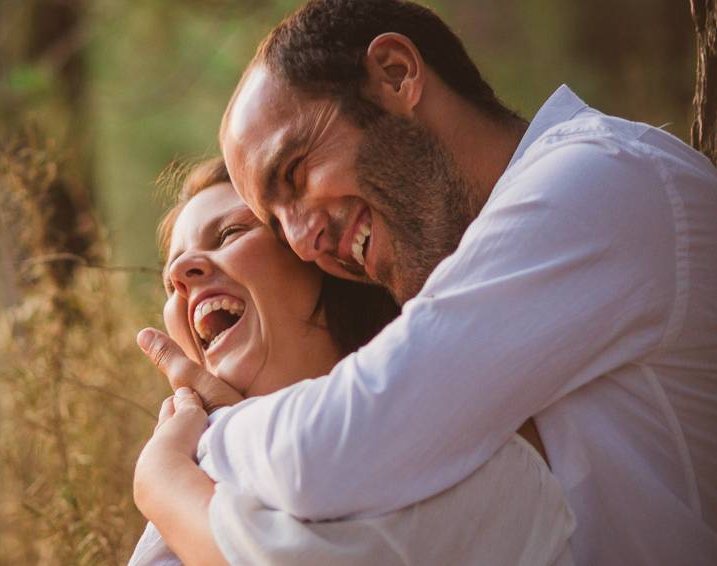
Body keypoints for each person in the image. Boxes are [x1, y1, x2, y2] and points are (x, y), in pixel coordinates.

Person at [137, 1, 717, 565]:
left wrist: (185, 451)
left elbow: (336, 451)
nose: (303, 241)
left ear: (395, 74)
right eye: (276, 221)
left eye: (295, 173)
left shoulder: (595, 185)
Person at [130, 158, 575, 565]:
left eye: (229, 234)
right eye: (170, 283)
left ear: (326, 261)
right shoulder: (204, 471)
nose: (180, 271)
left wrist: (164, 485)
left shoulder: (469, 457)